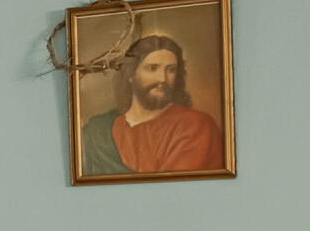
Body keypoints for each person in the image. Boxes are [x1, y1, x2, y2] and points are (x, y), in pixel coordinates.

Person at [80, 33, 223, 175]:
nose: (163, 79)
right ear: (131, 74)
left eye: (171, 70)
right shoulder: (98, 130)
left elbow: (171, 188)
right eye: (152, 68)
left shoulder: (194, 124)